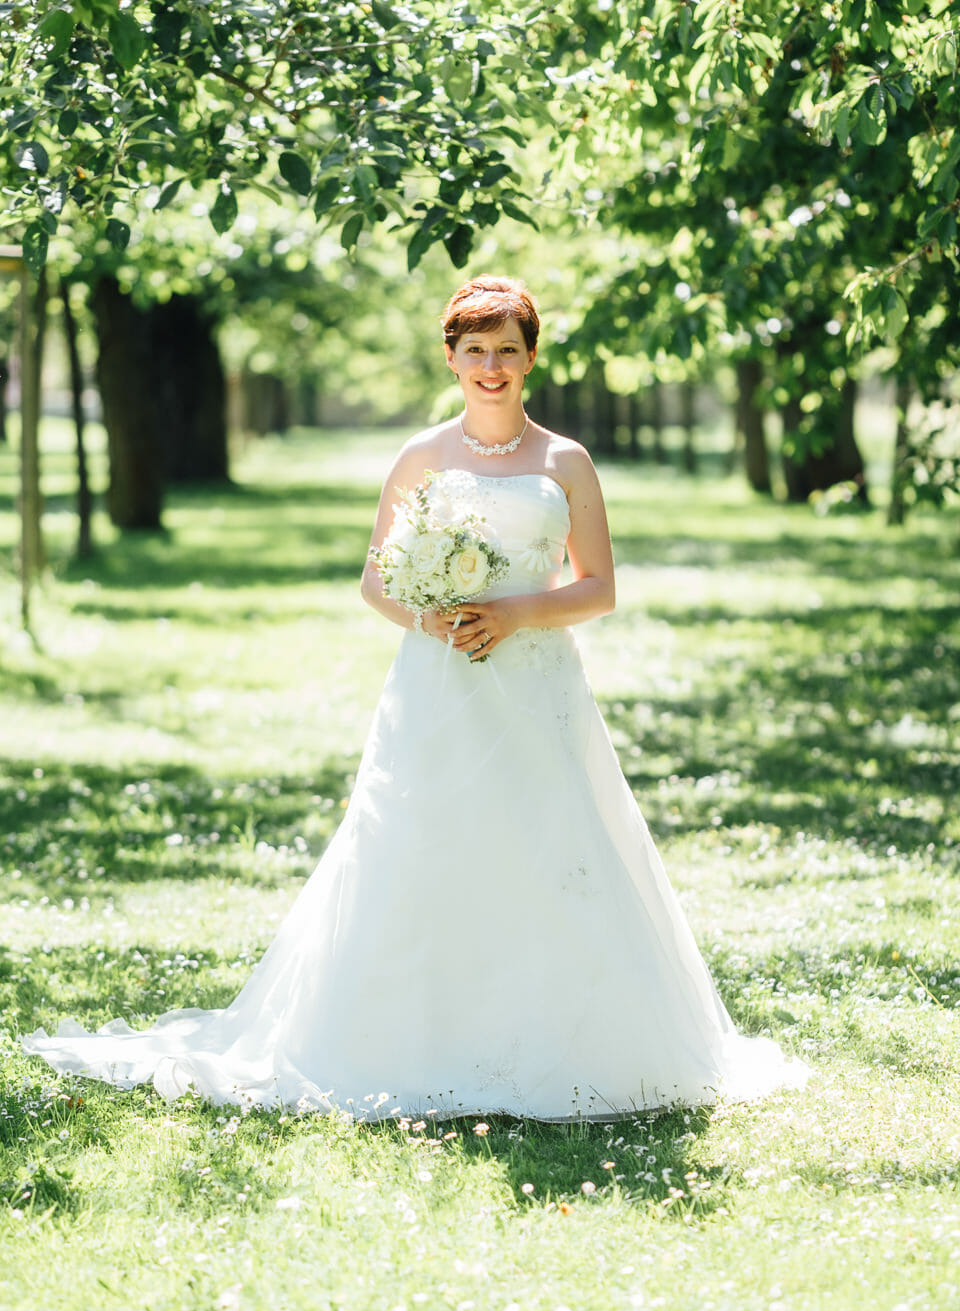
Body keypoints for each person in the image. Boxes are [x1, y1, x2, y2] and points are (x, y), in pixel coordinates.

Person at [23, 275, 807, 1120]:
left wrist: (513, 614)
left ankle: (561, 1035)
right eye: (476, 351)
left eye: (508, 349)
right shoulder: (422, 457)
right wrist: (429, 619)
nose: (493, 367)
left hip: (538, 680)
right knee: (423, 836)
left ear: (532, 356)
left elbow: (599, 588)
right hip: (439, 684)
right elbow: (374, 581)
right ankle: (412, 1030)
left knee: (552, 839)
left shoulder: (565, 461)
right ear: (452, 357)